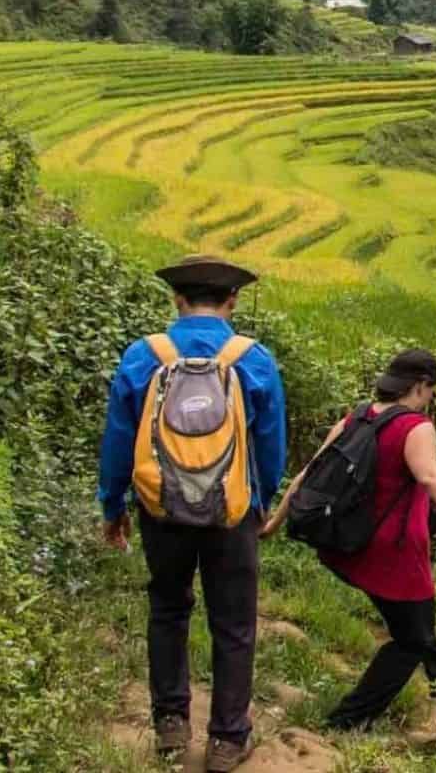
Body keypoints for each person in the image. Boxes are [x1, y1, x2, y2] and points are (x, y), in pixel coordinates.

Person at [97, 255, 287, 771]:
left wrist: (113, 506)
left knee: (167, 607)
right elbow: (270, 447)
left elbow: (118, 440)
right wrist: (262, 501)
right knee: (234, 622)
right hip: (232, 512)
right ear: (233, 301)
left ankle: (170, 725)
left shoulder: (144, 356)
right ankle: (227, 739)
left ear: (177, 300)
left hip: (161, 508)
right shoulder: (254, 360)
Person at [263, 350, 436, 730]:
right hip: (396, 556)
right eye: (431, 390)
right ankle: (346, 721)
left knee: (414, 627)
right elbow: (431, 478)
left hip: (350, 545)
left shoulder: (357, 416)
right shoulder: (416, 426)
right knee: (412, 638)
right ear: (419, 386)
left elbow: (309, 474)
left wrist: (273, 523)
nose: (431, 397)